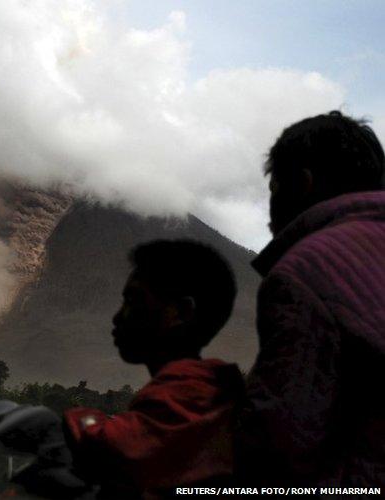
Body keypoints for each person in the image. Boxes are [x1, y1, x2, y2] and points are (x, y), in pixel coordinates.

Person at [237, 110, 385, 486]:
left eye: (273, 191)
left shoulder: (306, 271)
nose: (269, 214)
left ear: (302, 184)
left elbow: (274, 451)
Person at [63, 240, 244, 498]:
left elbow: (115, 447)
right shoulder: (208, 386)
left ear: (181, 313)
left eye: (134, 300)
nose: (117, 317)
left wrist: (70, 421)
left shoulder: (191, 392)